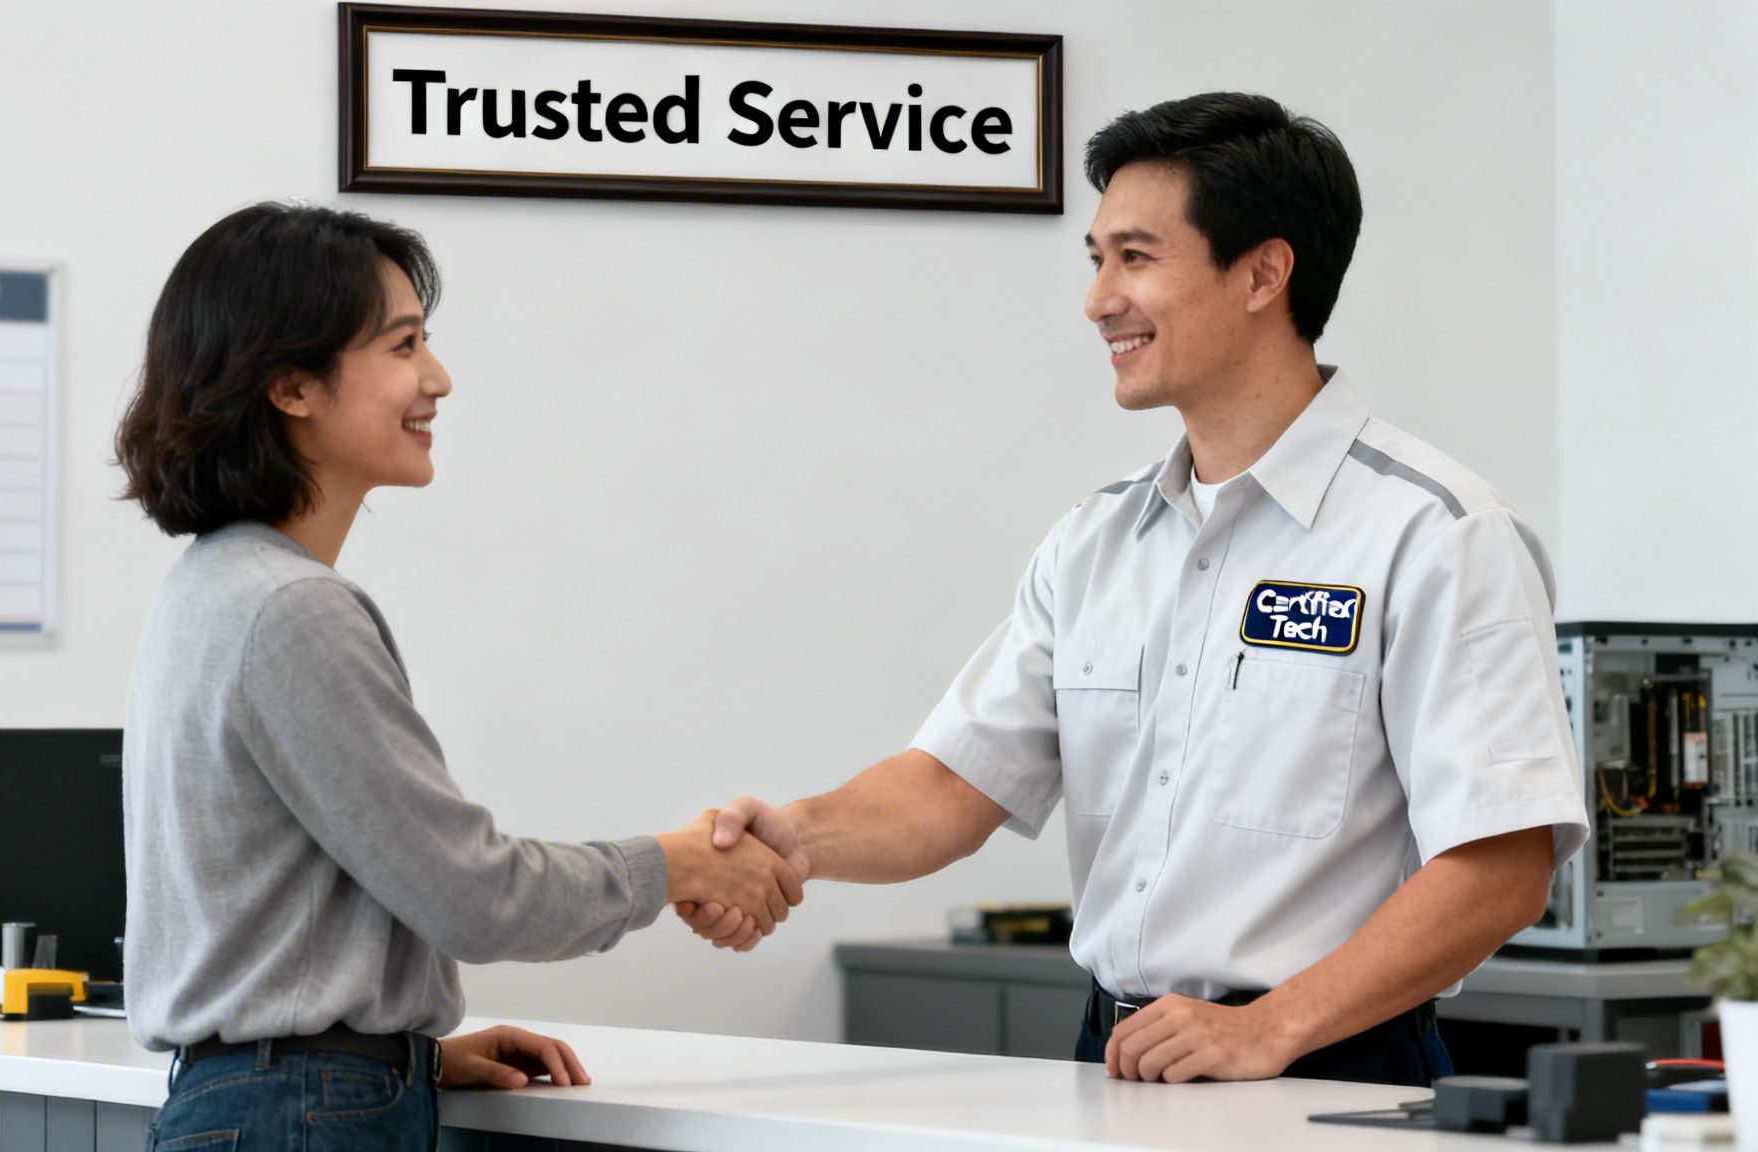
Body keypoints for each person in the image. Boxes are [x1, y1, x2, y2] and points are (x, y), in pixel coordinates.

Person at [680, 92, 1590, 1087]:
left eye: (1134, 257)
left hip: (1329, 1070)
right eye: (1095, 259)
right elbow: (950, 787)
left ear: (1260, 273)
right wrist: (788, 838)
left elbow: (1500, 864)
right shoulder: (1094, 542)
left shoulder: (1436, 533)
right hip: (1115, 1057)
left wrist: (1268, 1028)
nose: (1096, 299)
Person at [114, 201, 803, 1150]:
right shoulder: (291, 610)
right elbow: (469, 894)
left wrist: (407, 1052)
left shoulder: (210, 586)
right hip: (302, 1114)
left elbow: (277, 910)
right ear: (291, 387)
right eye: (402, 347)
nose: (436, 378)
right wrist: (669, 863)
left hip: (270, 1098)